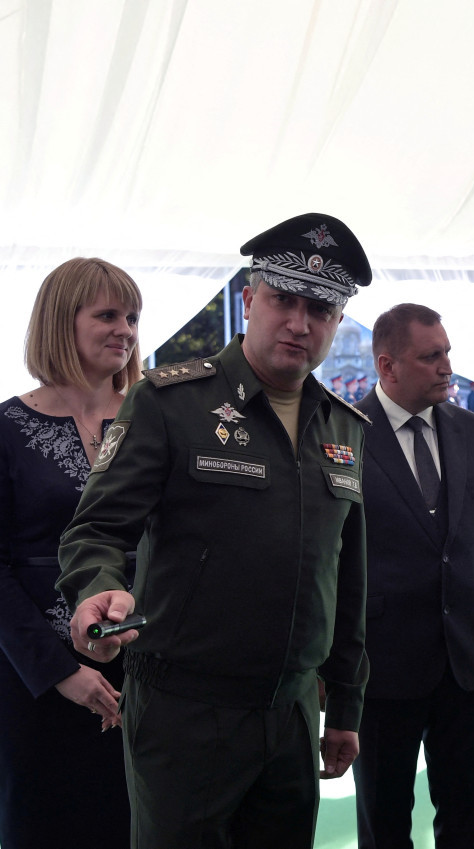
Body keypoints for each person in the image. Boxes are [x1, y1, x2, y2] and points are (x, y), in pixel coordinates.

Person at [57, 213, 373, 848]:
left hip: (289, 715)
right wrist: (96, 587)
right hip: (184, 715)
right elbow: (96, 528)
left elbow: (345, 576)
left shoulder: (344, 426)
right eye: (283, 300)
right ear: (250, 301)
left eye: (321, 309)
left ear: (337, 323)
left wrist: (344, 706)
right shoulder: (170, 403)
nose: (299, 323)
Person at [354, 304, 474, 848]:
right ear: (388, 366)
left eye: (448, 352)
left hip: (470, 660)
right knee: (384, 821)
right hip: (381, 665)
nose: (446, 367)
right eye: (431, 357)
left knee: (467, 813)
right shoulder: (341, 433)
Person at [0, 258, 142, 849]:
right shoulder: (6, 428)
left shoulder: (153, 424)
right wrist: (59, 673)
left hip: (149, 673)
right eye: (108, 314)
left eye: (132, 317)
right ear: (62, 320)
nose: (126, 330)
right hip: (35, 680)